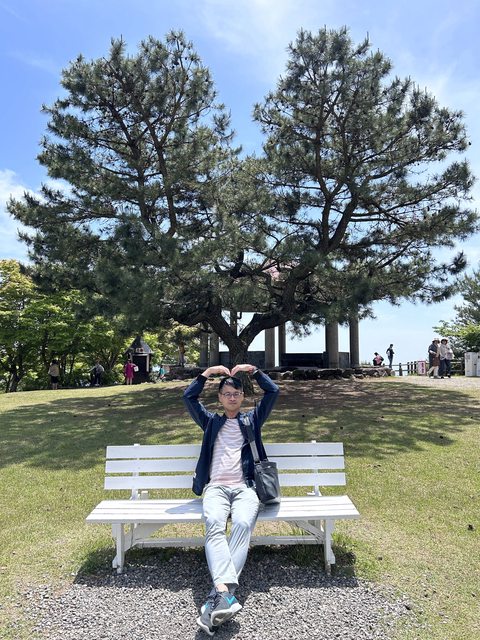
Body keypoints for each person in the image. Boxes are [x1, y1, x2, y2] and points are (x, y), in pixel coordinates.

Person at [183, 364, 279, 636]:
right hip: (215, 488)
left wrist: (254, 371)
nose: (232, 397)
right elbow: (188, 397)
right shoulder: (210, 422)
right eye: (227, 393)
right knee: (214, 522)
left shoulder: (252, 420)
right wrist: (207, 373)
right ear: (220, 398)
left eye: (236, 393)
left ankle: (218, 594)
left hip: (245, 488)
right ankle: (224, 593)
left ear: (243, 396)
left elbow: (273, 392)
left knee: (243, 524)